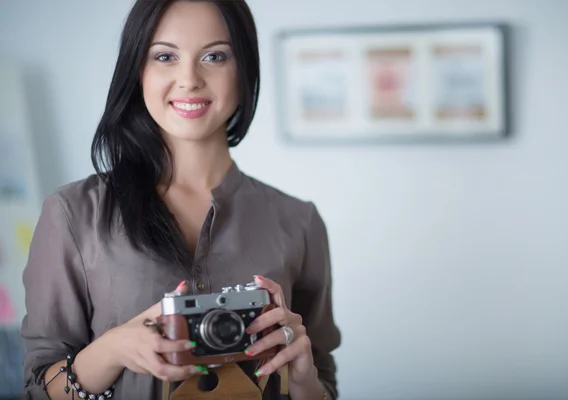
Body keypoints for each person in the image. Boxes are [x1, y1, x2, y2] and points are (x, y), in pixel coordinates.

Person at [19, 1, 341, 399]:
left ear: (244, 71)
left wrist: (305, 377)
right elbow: (36, 389)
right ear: (139, 71)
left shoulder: (299, 221)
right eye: (165, 56)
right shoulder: (73, 214)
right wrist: (113, 349)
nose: (189, 79)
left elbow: (324, 379)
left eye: (214, 56)